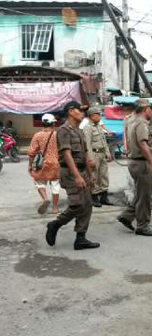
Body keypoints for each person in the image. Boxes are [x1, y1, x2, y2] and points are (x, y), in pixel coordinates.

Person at [45, 101, 100, 250]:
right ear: (70, 111)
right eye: (80, 110)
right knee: (78, 204)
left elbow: (84, 155)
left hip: (82, 171)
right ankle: (55, 224)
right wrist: (77, 176)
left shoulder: (79, 131)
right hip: (70, 172)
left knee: (87, 204)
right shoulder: (64, 130)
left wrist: (90, 175)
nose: (83, 114)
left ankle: (80, 238)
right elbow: (67, 154)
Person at [116, 99, 152, 236]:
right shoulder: (141, 123)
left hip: (135, 162)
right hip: (141, 163)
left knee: (140, 194)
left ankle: (126, 216)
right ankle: (142, 225)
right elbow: (142, 144)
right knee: (145, 197)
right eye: (150, 109)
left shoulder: (131, 121)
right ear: (145, 109)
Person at [27, 114, 60, 214]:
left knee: (39, 182)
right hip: (55, 164)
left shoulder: (37, 135)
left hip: (42, 164)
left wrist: (30, 164)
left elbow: (31, 152)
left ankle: (45, 199)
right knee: (55, 186)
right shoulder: (57, 135)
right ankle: (54, 208)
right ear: (53, 123)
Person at [83, 107, 113, 208]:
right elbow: (87, 145)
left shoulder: (99, 127)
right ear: (91, 116)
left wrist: (108, 153)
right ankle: (94, 197)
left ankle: (104, 197)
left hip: (102, 154)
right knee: (94, 176)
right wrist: (90, 159)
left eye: (99, 114)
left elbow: (104, 141)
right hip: (94, 154)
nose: (99, 117)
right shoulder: (88, 128)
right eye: (97, 115)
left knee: (104, 175)